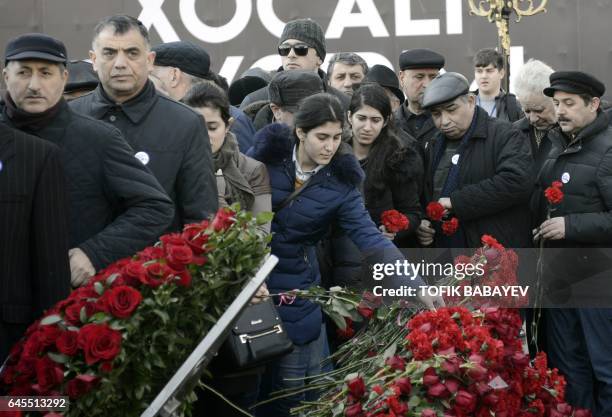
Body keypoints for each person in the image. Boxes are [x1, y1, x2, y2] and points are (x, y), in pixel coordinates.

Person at [250, 92, 441, 416]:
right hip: (251, 283)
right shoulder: (266, 156)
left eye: (337, 138)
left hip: (297, 283)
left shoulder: (343, 180)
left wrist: (415, 285)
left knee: (294, 391)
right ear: (300, 132)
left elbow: (371, 238)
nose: (330, 146)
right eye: (322, 137)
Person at [1, 32, 174, 287]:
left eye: (46, 73)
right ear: (6, 77)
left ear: (64, 78)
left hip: (68, 302)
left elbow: (155, 207)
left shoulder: (98, 139)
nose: (34, 84)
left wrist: (94, 252)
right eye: (24, 72)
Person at [70, 15, 217, 231]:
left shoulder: (187, 124)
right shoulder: (68, 118)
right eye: (109, 53)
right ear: (93, 59)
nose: (120, 64)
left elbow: (200, 220)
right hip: (80, 262)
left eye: (132, 53)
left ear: (149, 60)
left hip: (159, 263)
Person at [181, 81, 271, 416]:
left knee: (236, 397)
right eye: (194, 127)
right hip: (187, 298)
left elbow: (260, 235)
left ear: (228, 124)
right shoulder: (174, 168)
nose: (204, 136)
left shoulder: (251, 169)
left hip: (239, 296)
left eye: (212, 127)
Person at [533, 71, 612, 416]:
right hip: (559, 278)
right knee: (569, 369)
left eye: (569, 103)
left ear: (593, 104)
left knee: (605, 368)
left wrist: (571, 225)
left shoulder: (608, 148)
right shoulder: (554, 143)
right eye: (556, 103)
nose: (560, 111)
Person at [416, 72, 533, 249]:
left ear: (471, 101)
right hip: (445, 252)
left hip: (492, 255)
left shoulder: (505, 135)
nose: (444, 121)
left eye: (451, 109)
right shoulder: (432, 143)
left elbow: (517, 182)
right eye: (436, 114)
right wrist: (424, 223)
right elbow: (428, 193)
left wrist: (457, 202)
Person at [330, 84, 423, 289]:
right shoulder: (332, 152)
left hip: (379, 263)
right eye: (361, 118)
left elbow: (413, 213)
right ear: (349, 117)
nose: (367, 127)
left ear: (386, 121)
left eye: (375, 120)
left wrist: (395, 229)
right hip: (333, 258)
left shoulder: (398, 159)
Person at [0, 121, 70, 363]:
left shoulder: (37, 155)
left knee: (36, 405)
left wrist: (50, 349)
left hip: (8, 338)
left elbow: (50, 262)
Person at [150, 40, 256, 152]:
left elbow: (246, 166)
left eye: (152, 75)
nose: (147, 82)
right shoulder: (165, 118)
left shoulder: (234, 119)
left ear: (174, 76)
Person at [239, 18, 349, 111]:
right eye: (285, 49)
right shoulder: (253, 101)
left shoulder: (344, 103)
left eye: (300, 49)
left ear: (319, 58)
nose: (291, 55)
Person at [395, 48, 445, 151]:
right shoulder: (388, 124)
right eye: (419, 77)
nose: (427, 85)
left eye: (433, 77)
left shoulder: (449, 122)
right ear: (402, 78)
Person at [512, 59, 557, 171]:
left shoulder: (575, 133)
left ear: (555, 99)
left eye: (539, 110)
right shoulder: (512, 134)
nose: (532, 119)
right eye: (527, 111)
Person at [251, 69, 325, 131]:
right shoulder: (250, 138)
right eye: (304, 114)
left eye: (319, 112)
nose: (315, 120)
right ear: (276, 111)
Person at [472, 48, 523, 123]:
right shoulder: (465, 102)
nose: (483, 76)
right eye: (479, 71)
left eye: (489, 71)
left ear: (501, 73)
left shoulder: (514, 106)